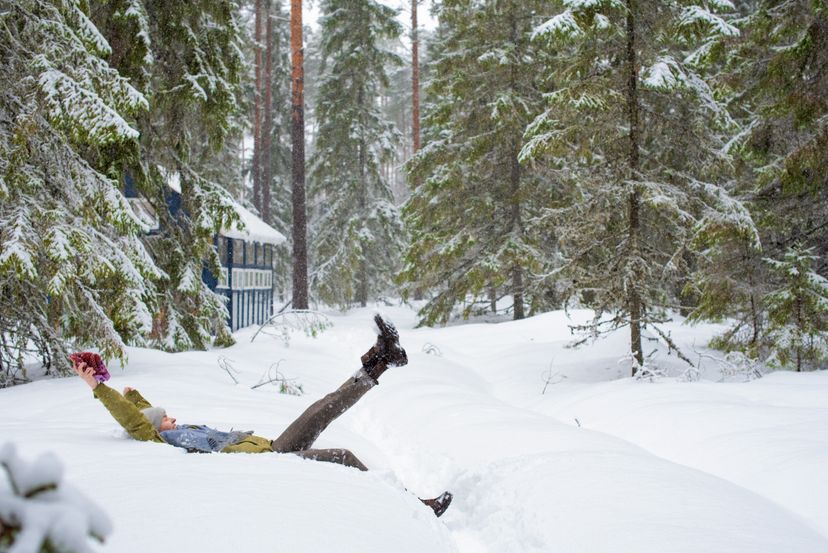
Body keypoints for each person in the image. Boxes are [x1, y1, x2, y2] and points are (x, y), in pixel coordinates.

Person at [73, 315, 453, 517]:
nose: (172, 418)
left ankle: (382, 359)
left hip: (274, 448)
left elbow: (141, 412)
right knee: (344, 457)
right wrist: (97, 388)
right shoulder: (162, 440)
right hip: (274, 461)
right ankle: (417, 508)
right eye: (166, 417)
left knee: (322, 408)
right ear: (157, 429)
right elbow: (137, 422)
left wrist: (128, 390)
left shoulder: (174, 432)